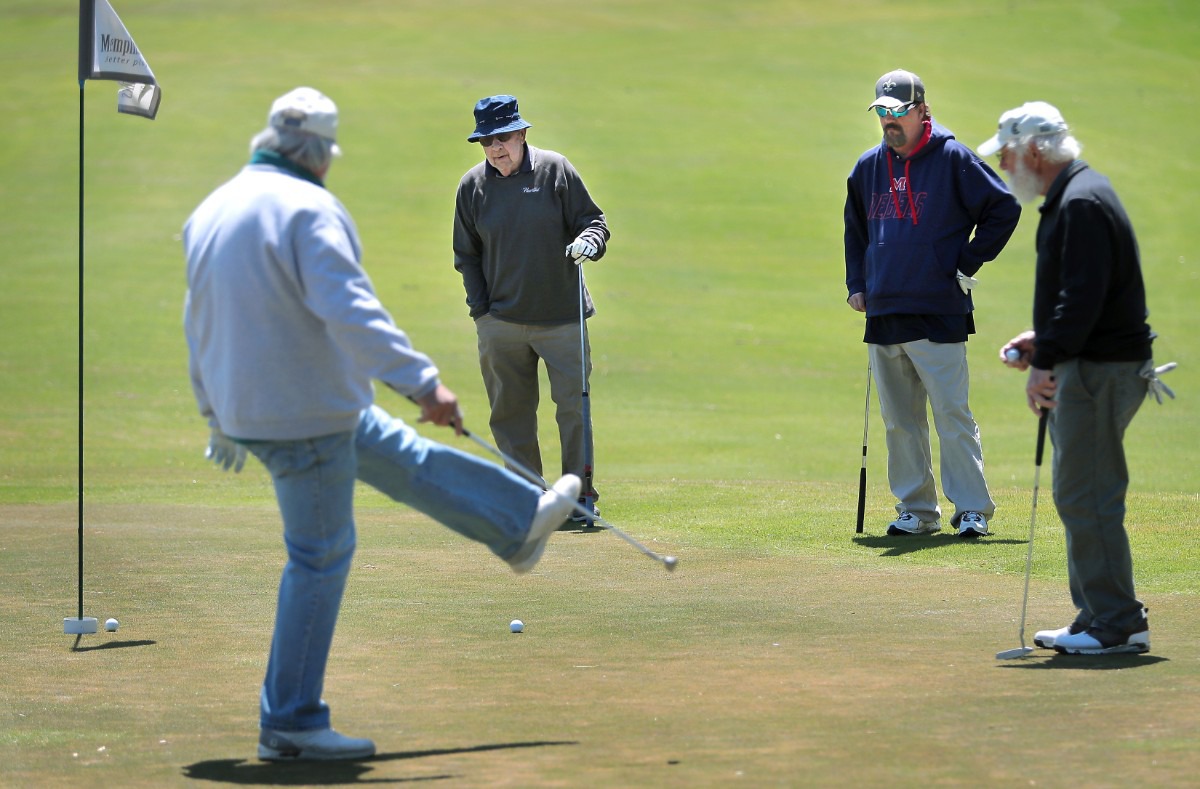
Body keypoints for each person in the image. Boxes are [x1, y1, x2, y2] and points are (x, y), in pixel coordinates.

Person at [183, 87, 581, 761]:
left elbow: (198, 319)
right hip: (300, 411)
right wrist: (423, 382)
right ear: (316, 153)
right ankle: (292, 721)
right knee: (319, 553)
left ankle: (517, 524)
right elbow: (350, 310)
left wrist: (213, 411)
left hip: (273, 404)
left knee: (398, 452)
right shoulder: (309, 209)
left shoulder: (214, 206)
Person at [984, 101, 1172, 655]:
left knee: (1087, 494)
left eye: (1010, 154)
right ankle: (1099, 614)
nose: (1004, 166)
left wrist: (1044, 362)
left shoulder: (1082, 202)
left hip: (1098, 371)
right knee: (1081, 492)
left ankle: (1115, 622)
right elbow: (1080, 299)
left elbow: (1083, 300)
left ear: (1036, 150)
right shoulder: (1074, 196)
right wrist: (1043, 341)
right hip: (1093, 361)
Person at [844, 69, 1021, 538]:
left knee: (951, 416)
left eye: (898, 113)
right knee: (900, 422)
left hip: (938, 309)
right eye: (882, 113)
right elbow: (856, 231)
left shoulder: (952, 159)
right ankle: (916, 511)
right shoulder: (867, 167)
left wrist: (966, 262)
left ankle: (972, 510)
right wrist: (855, 283)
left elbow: (1004, 208)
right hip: (884, 311)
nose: (890, 122)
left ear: (922, 110)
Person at [453, 94, 610, 522]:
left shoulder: (556, 171)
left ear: (522, 133)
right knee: (511, 415)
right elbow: (465, 255)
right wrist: (481, 313)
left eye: (502, 138)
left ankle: (579, 498)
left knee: (573, 411)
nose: (495, 149)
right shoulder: (473, 186)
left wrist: (590, 243)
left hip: (562, 318)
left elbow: (594, 222)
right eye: (486, 142)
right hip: (501, 322)